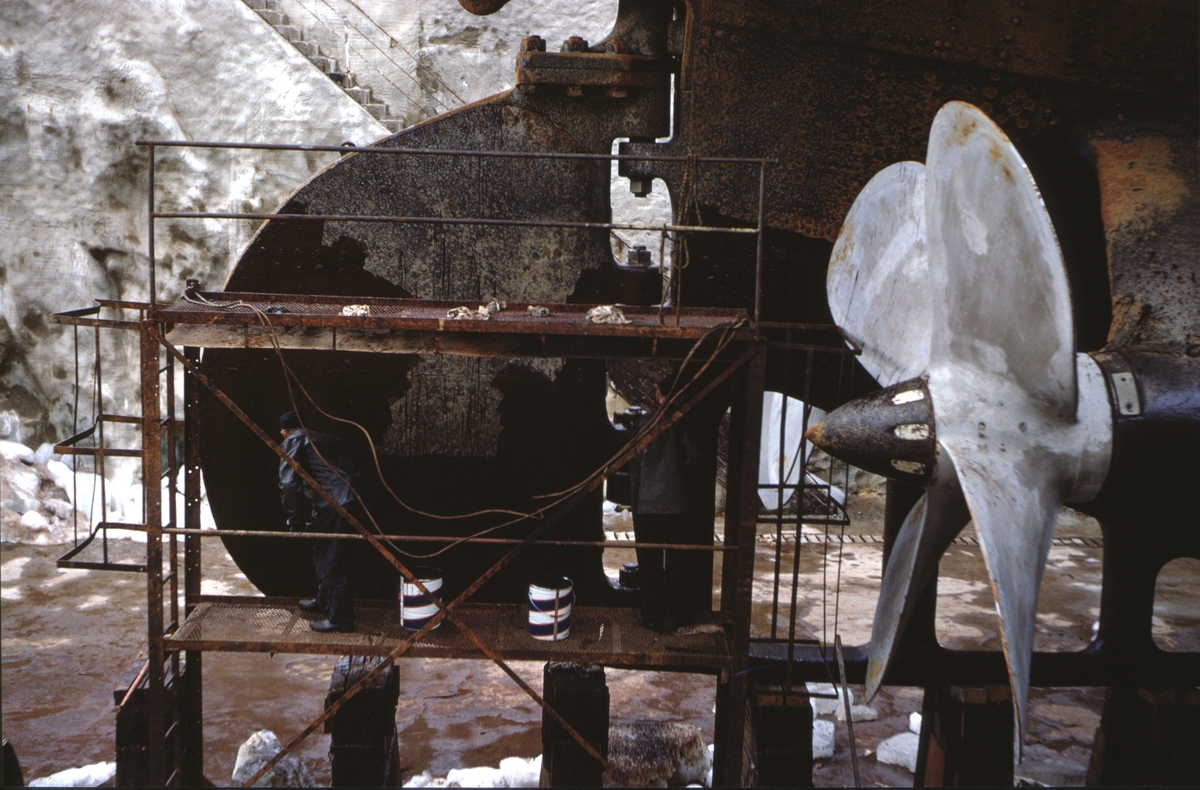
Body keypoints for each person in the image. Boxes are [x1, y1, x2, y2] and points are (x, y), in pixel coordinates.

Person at [629, 373, 723, 632]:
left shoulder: (644, 423)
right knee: (678, 563)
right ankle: (680, 614)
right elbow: (695, 462)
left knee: (650, 565)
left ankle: (652, 617)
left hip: (646, 507)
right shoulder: (687, 424)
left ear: (657, 395)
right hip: (677, 506)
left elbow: (634, 463)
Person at [279, 411, 357, 632]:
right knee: (325, 550)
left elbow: (288, 482)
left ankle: (341, 619)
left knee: (330, 558)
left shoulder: (293, 440)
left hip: (333, 502)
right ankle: (324, 600)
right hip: (343, 499)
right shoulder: (321, 438)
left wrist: (294, 520)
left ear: (284, 433)